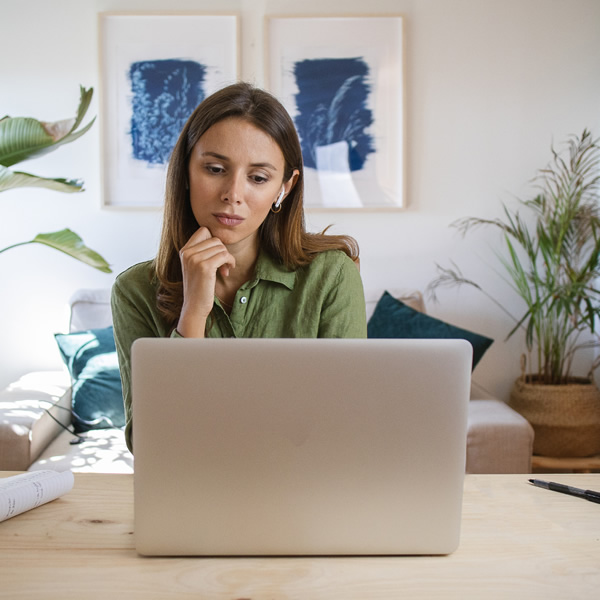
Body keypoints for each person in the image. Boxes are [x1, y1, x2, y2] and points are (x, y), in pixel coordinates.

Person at [111, 82, 367, 452]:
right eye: (215, 169)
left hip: (304, 494)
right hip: (191, 494)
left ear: (285, 187)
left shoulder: (331, 276)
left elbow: (348, 426)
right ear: (185, 172)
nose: (233, 193)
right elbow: (151, 444)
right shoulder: (134, 290)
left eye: (258, 178)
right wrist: (193, 312)